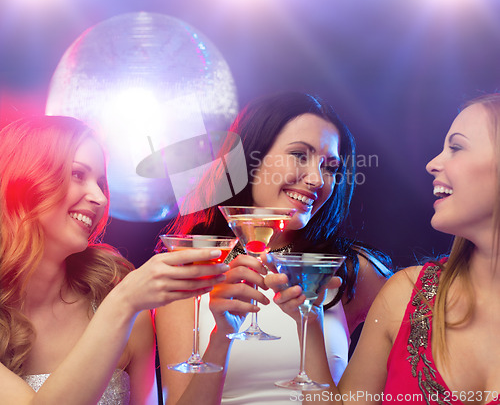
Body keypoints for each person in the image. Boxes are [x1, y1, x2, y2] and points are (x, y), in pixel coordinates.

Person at [156, 92, 392, 404]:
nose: (316, 179)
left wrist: (311, 320)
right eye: (299, 155)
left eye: (330, 166)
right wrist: (220, 338)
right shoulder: (188, 267)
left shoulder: (345, 271)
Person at [266, 92, 500, 404]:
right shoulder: (405, 294)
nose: (433, 163)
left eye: (456, 147)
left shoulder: (359, 272)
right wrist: (308, 320)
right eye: (298, 155)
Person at [0, 115, 230, 405]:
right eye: (77, 175)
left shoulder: (115, 292)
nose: (100, 197)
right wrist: (122, 303)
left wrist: (222, 336)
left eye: (100, 182)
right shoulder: (123, 300)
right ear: (25, 181)